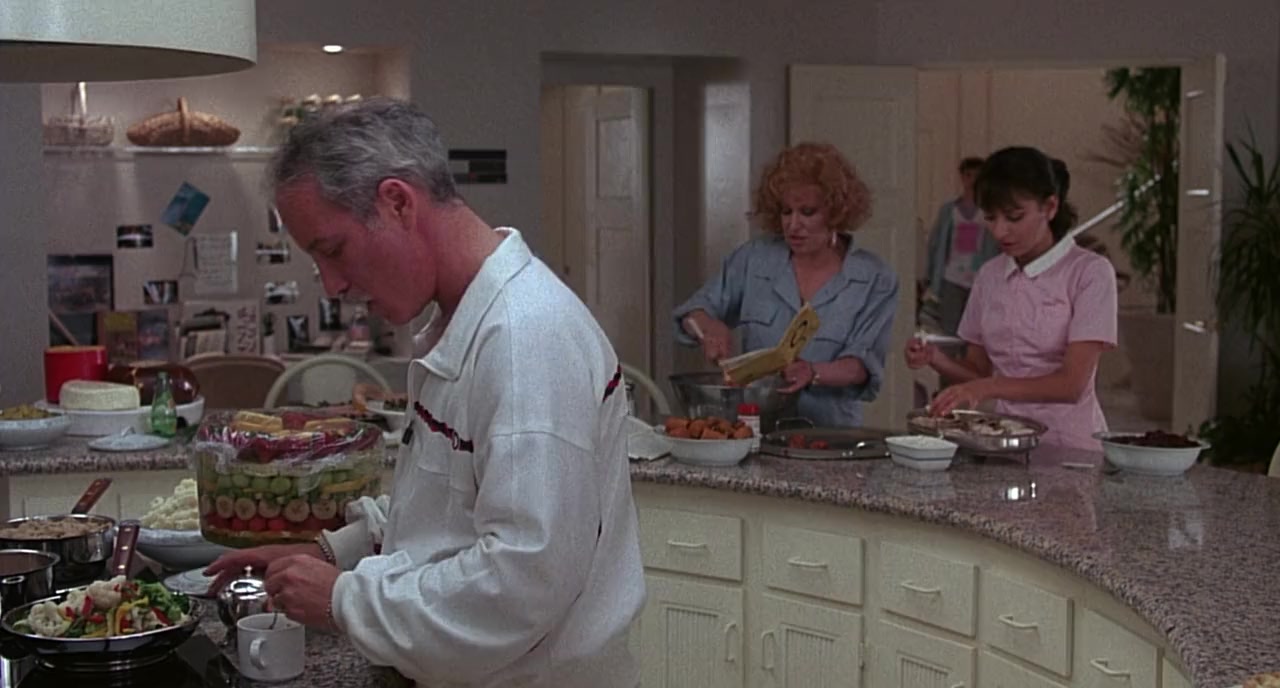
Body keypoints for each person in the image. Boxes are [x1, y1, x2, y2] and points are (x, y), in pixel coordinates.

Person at [205, 98, 645, 687]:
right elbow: (451, 512)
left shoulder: (525, 341)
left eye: (333, 250)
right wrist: (338, 553)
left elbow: (523, 582)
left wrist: (344, 599)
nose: (332, 285)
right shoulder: (469, 321)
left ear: (398, 203)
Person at [904, 146, 1117, 452]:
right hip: (1005, 439)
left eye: (1014, 217)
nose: (1000, 231)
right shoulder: (990, 275)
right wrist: (935, 358)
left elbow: (1072, 385)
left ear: (1050, 207)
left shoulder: (1089, 272)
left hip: (1070, 444)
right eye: (990, 218)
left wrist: (988, 387)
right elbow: (978, 369)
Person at [674, 142, 899, 427]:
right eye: (786, 211)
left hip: (830, 433)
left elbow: (862, 366)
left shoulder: (874, 277)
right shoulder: (755, 259)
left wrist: (813, 372)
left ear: (835, 213)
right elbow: (692, 313)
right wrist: (708, 327)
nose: (793, 225)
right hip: (757, 427)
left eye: (807, 212)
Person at [922, 156, 1000, 336]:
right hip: (952, 275)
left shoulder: (990, 210)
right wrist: (929, 275)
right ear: (962, 177)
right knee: (950, 327)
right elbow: (936, 244)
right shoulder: (949, 210)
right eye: (968, 175)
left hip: (980, 275)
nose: (972, 181)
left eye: (977, 176)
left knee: (978, 328)